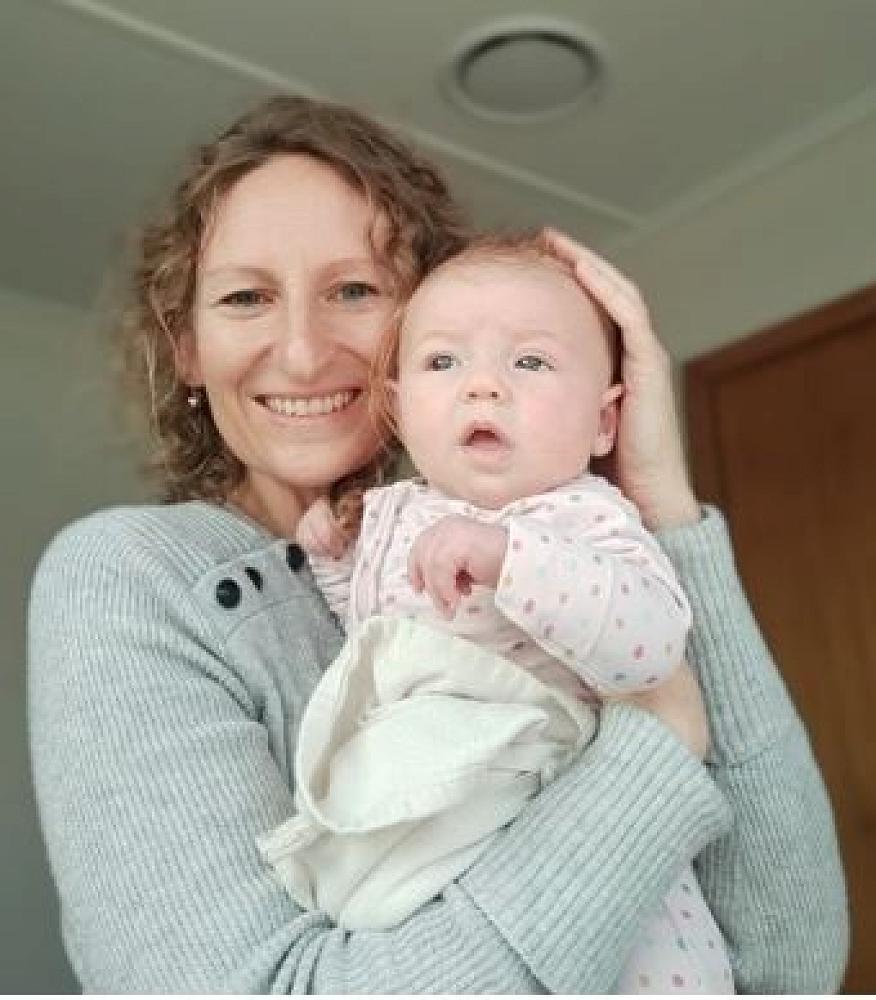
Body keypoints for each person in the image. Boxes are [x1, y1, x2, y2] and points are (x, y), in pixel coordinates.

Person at [27, 94, 848, 994]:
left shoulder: (543, 545)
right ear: (187, 346)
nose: (301, 352)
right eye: (245, 297)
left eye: (353, 290)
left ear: (421, 315)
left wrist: (662, 506)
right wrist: (652, 748)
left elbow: (790, 964)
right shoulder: (133, 578)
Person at [258, 233, 734, 993]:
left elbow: (650, 646)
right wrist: (333, 558)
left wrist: (514, 559)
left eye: (531, 362)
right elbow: (374, 634)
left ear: (604, 423)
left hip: (579, 825)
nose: (483, 386)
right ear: (398, 408)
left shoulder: (584, 516)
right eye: (443, 362)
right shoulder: (390, 512)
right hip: (430, 840)